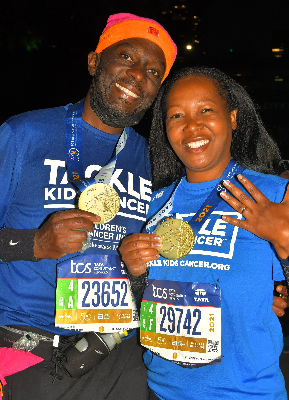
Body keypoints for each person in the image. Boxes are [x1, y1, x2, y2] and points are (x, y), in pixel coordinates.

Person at [0, 13, 177, 400]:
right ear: (95, 62)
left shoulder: (155, 163)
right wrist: (34, 244)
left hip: (113, 354)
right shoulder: (23, 134)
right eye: (126, 57)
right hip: (24, 355)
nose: (138, 74)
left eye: (153, 71)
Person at [119, 66, 288, 399]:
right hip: (160, 392)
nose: (191, 126)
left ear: (234, 118)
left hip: (247, 393)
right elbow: (144, 308)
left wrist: (286, 241)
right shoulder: (152, 205)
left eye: (206, 110)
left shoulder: (275, 195)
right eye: (176, 116)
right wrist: (133, 275)